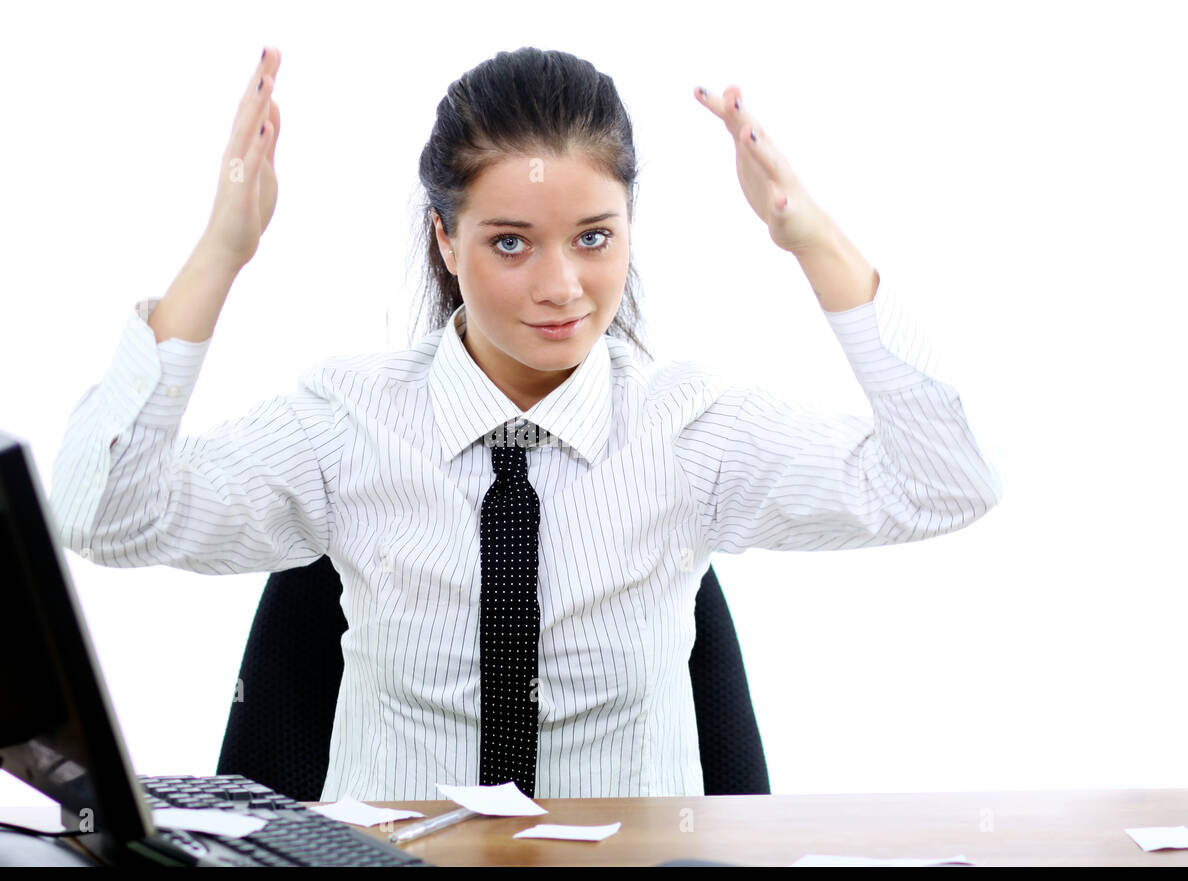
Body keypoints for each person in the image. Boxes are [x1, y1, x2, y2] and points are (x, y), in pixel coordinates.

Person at [49, 46, 1003, 802]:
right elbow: (104, 516)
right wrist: (221, 252)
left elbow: (944, 483)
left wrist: (811, 240)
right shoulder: (349, 422)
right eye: (511, 242)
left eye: (595, 237)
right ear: (444, 241)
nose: (561, 289)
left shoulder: (686, 430)